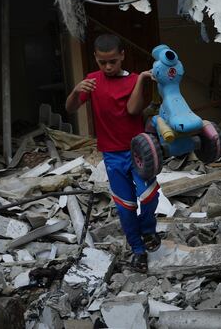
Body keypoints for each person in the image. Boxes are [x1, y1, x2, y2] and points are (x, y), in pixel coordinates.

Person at [65, 34, 159, 272]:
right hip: (112, 155)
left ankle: (147, 230)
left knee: (149, 196)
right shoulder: (92, 81)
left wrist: (140, 82)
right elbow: (70, 108)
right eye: (102, 62)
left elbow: (133, 109)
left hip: (138, 150)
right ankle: (137, 249)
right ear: (95, 58)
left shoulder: (136, 79)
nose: (108, 67)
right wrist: (76, 91)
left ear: (122, 57)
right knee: (125, 206)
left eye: (113, 61)